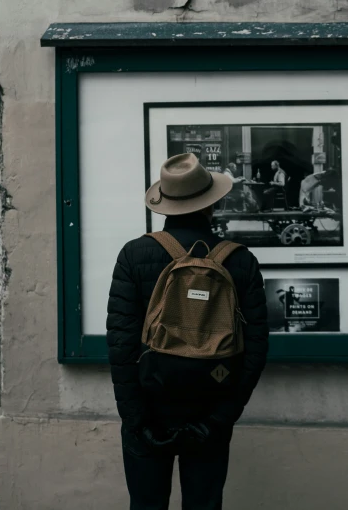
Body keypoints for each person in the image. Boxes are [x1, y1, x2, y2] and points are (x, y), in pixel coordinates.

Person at [107, 153, 269, 510]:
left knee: (147, 504)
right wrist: (220, 419)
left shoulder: (134, 255)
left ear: (164, 205)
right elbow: (255, 349)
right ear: (212, 204)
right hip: (210, 403)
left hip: (150, 404)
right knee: (204, 504)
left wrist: (137, 421)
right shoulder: (240, 260)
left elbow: (120, 347)